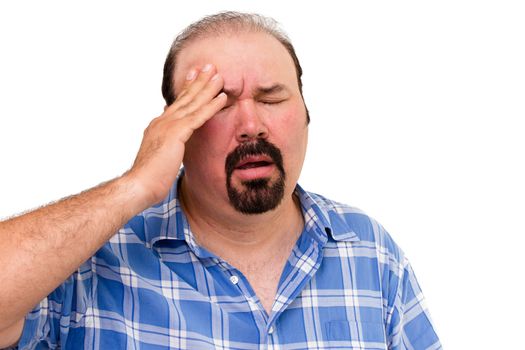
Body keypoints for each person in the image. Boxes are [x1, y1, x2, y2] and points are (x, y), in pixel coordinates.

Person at [0, 11, 441, 350]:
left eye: (272, 98)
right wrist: (134, 186)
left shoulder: (369, 251)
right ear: (176, 128)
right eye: (220, 103)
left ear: (306, 116)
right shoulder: (91, 260)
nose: (251, 124)